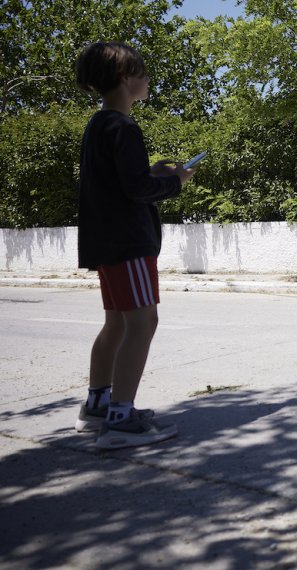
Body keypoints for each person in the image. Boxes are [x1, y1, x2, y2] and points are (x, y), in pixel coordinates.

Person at [74, 42, 195, 449]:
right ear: (126, 79)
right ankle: (121, 419)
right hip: (128, 243)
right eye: (141, 73)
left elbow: (119, 183)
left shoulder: (100, 125)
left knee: (117, 323)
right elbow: (138, 190)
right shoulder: (124, 128)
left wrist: (148, 173)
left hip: (106, 243)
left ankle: (97, 406)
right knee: (143, 323)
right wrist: (175, 181)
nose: (146, 80)